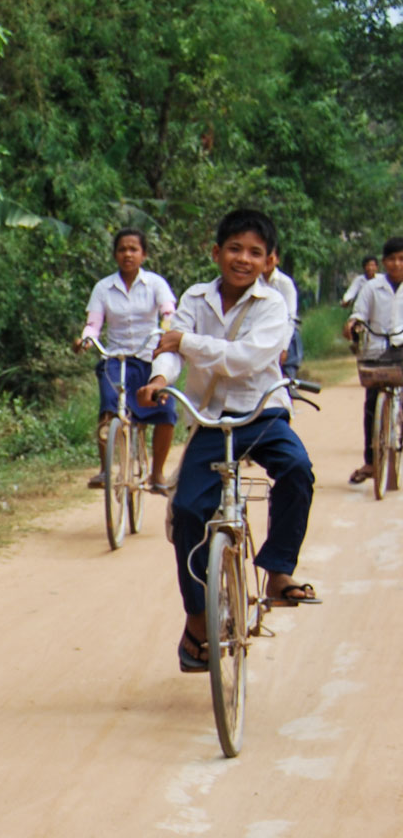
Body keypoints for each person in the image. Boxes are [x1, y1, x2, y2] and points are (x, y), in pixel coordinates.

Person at [138, 207, 317, 673]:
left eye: (255, 252)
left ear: (269, 261)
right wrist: (160, 377)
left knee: (297, 469)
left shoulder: (273, 303)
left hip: (262, 412)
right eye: (234, 248)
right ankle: (197, 620)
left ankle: (277, 570)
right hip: (211, 419)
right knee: (189, 511)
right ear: (216, 253)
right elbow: (169, 350)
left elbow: (245, 360)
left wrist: (185, 344)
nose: (243, 258)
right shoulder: (195, 299)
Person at [73, 228, 177, 492]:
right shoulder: (103, 288)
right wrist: (86, 339)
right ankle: (106, 469)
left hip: (150, 357)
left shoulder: (156, 284)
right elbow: (93, 324)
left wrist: (165, 330)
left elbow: (168, 312)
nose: (128, 254)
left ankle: (157, 474)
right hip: (117, 359)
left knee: (166, 413)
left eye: (133, 249)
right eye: (122, 249)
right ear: (115, 254)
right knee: (109, 408)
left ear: (144, 254)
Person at [343, 237, 403, 484]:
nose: (396, 264)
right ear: (383, 262)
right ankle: (370, 461)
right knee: (371, 403)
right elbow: (359, 311)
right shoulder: (371, 288)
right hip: (377, 350)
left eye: (401, 258)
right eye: (391, 259)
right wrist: (353, 322)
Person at [266, 250, 302, 374]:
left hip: (285, 336)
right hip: (263, 335)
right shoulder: (253, 282)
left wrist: (284, 347)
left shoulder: (284, 283)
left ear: (277, 260)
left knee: (286, 379)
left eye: (270, 257)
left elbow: (290, 317)